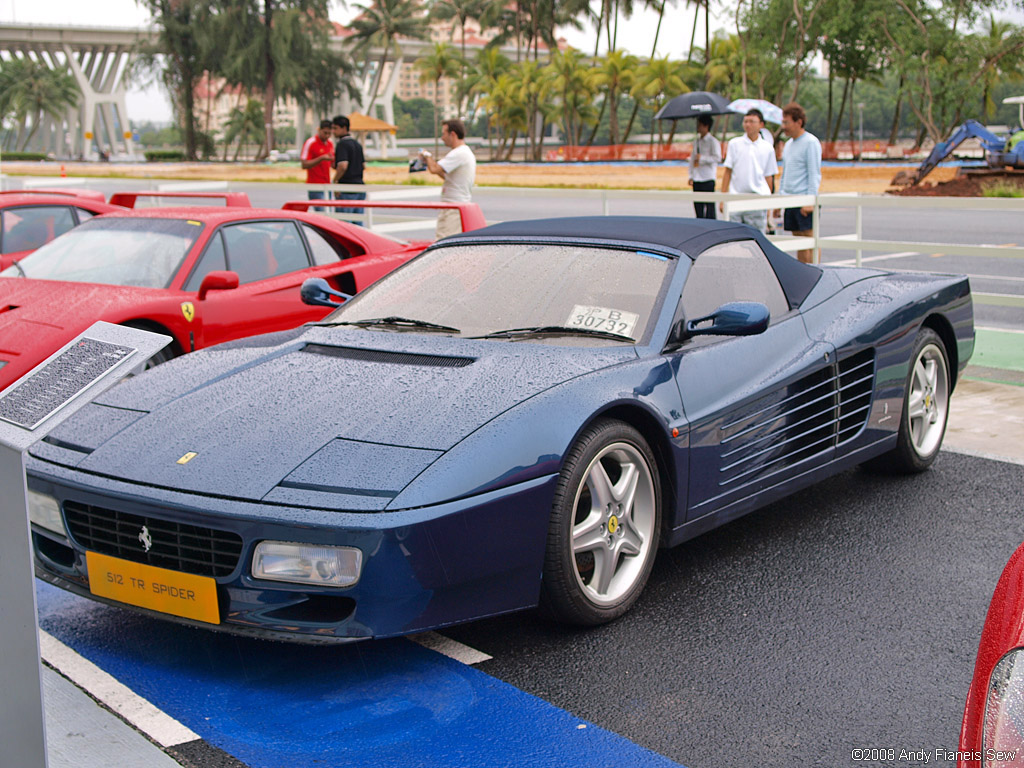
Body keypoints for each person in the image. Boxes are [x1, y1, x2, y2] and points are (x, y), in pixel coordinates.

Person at [719, 108, 778, 232]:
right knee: (734, 238)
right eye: (745, 121)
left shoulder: (767, 148)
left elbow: (769, 177)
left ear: (761, 124)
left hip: (757, 200)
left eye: (752, 121)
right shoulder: (734, 144)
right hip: (735, 199)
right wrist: (723, 198)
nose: (748, 125)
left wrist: (769, 203)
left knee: (756, 239)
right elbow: (727, 172)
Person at [778, 102, 822, 264]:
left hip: (804, 199)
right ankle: (804, 271)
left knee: (809, 240)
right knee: (798, 241)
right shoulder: (788, 145)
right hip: (790, 199)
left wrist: (810, 200)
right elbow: (785, 172)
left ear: (799, 122)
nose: (784, 127)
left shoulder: (811, 142)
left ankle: (814, 271)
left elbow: (814, 173)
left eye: (787, 122)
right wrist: (780, 199)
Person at [421, 119, 476, 239]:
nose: (442, 137)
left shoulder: (458, 153)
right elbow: (445, 176)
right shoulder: (464, 152)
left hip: (453, 207)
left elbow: (434, 169)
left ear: (453, 134)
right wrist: (428, 161)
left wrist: (427, 155)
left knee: (443, 241)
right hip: (455, 205)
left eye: (444, 133)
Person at [332, 115, 366, 225]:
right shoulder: (357, 144)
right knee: (359, 223)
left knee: (344, 224)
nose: (333, 131)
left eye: (335, 128)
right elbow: (363, 165)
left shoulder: (342, 144)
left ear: (344, 128)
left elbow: (343, 166)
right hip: (359, 186)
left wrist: (335, 181)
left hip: (347, 187)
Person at [688, 114, 721, 219]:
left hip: (708, 178)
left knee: (710, 208)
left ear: (706, 126)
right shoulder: (697, 141)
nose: (698, 127)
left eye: (700, 125)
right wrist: (691, 175)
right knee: (698, 207)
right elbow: (692, 160)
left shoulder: (713, 142)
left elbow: (717, 158)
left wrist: (702, 158)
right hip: (697, 178)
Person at [300, 119, 334, 211]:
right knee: (321, 212)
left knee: (329, 212)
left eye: (329, 134)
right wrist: (321, 158)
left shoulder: (330, 143)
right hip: (315, 183)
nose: (327, 136)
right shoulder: (311, 142)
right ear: (319, 130)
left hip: (328, 184)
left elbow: (331, 163)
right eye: (325, 133)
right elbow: (304, 164)